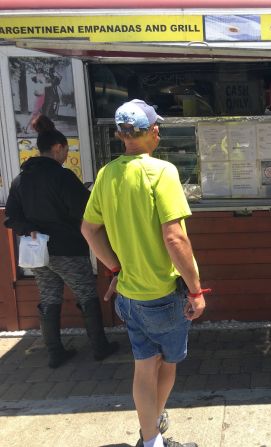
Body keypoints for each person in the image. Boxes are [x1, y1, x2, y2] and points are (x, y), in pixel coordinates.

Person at [81, 99, 206, 447]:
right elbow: (174, 237)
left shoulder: (106, 175)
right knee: (167, 365)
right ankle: (152, 428)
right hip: (164, 296)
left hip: (130, 296)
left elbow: (89, 230)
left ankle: (150, 438)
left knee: (143, 367)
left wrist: (116, 269)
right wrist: (196, 291)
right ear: (152, 132)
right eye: (158, 128)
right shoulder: (162, 172)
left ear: (122, 135)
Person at [4, 115, 119, 369]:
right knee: (87, 294)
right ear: (57, 148)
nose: (66, 155)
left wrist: (30, 229)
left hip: (37, 252)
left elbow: (11, 217)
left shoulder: (20, 180)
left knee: (49, 297)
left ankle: (55, 352)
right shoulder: (62, 177)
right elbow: (85, 209)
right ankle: (99, 347)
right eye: (66, 150)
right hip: (67, 248)